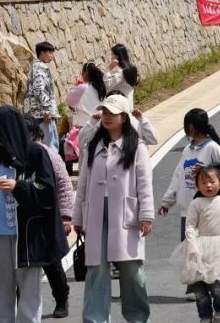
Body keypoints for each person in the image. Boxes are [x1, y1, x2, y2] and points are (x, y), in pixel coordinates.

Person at [73, 94, 155, 323]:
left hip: (127, 214)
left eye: (112, 113)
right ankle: (95, 319)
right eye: (104, 112)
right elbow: (83, 184)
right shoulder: (93, 147)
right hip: (97, 213)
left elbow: (144, 183)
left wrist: (147, 214)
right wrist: (78, 216)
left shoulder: (137, 147)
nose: (106, 117)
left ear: (124, 117)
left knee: (132, 271)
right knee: (96, 270)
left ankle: (137, 317)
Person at [0, 106, 68, 323]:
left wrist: (17, 186)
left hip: (28, 234)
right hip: (0, 233)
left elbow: (47, 192)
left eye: (0, 134)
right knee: (1, 288)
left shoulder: (36, 154)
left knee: (29, 290)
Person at [159, 108, 220, 295]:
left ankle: (211, 284)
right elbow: (178, 177)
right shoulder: (187, 150)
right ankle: (195, 287)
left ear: (190, 127)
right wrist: (168, 201)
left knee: (208, 251)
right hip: (189, 209)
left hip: (208, 211)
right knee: (190, 250)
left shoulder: (212, 148)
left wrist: (207, 173)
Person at [170, 166, 220, 323]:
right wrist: (192, 246)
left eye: (212, 182)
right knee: (199, 291)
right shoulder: (196, 204)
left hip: (219, 250)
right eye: (203, 182)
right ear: (197, 185)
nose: (208, 185)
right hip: (197, 249)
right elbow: (190, 226)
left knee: (218, 288)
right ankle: (205, 317)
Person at [23, 115, 75, 319]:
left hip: (46, 216)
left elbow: (63, 185)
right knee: (22, 264)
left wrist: (65, 216)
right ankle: (24, 305)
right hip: (23, 218)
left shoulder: (48, 154)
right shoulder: (12, 153)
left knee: (51, 262)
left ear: (34, 133)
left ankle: (62, 297)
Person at [22, 41, 60, 152]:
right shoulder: (40, 68)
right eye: (50, 53)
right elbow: (40, 90)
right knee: (49, 147)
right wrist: (46, 111)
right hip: (42, 115)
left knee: (44, 145)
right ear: (42, 53)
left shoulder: (37, 67)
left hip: (38, 114)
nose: (52, 56)